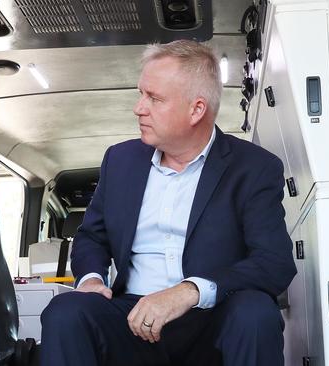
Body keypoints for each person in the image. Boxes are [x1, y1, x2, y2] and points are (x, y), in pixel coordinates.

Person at [40, 40, 297, 366]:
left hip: (211, 317)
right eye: (141, 93)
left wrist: (189, 291)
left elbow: (274, 262)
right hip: (131, 317)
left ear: (196, 109)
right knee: (66, 312)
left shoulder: (253, 167)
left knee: (256, 313)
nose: (139, 107)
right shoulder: (120, 160)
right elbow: (93, 236)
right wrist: (91, 279)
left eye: (154, 98)